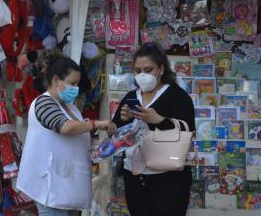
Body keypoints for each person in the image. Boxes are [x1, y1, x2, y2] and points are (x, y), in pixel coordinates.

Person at [17, 50, 116, 216]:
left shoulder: (70, 107)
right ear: (56, 80)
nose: (75, 88)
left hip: (69, 188)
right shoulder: (43, 102)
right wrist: (95, 124)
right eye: (72, 83)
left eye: (77, 84)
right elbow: (65, 128)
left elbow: (76, 136)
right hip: (51, 188)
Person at [112, 42, 195, 216]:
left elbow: (188, 132)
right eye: (138, 71)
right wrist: (123, 120)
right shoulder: (130, 96)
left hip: (168, 177)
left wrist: (158, 120)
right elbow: (116, 132)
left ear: (161, 70)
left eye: (148, 70)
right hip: (134, 175)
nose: (142, 75)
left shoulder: (177, 96)